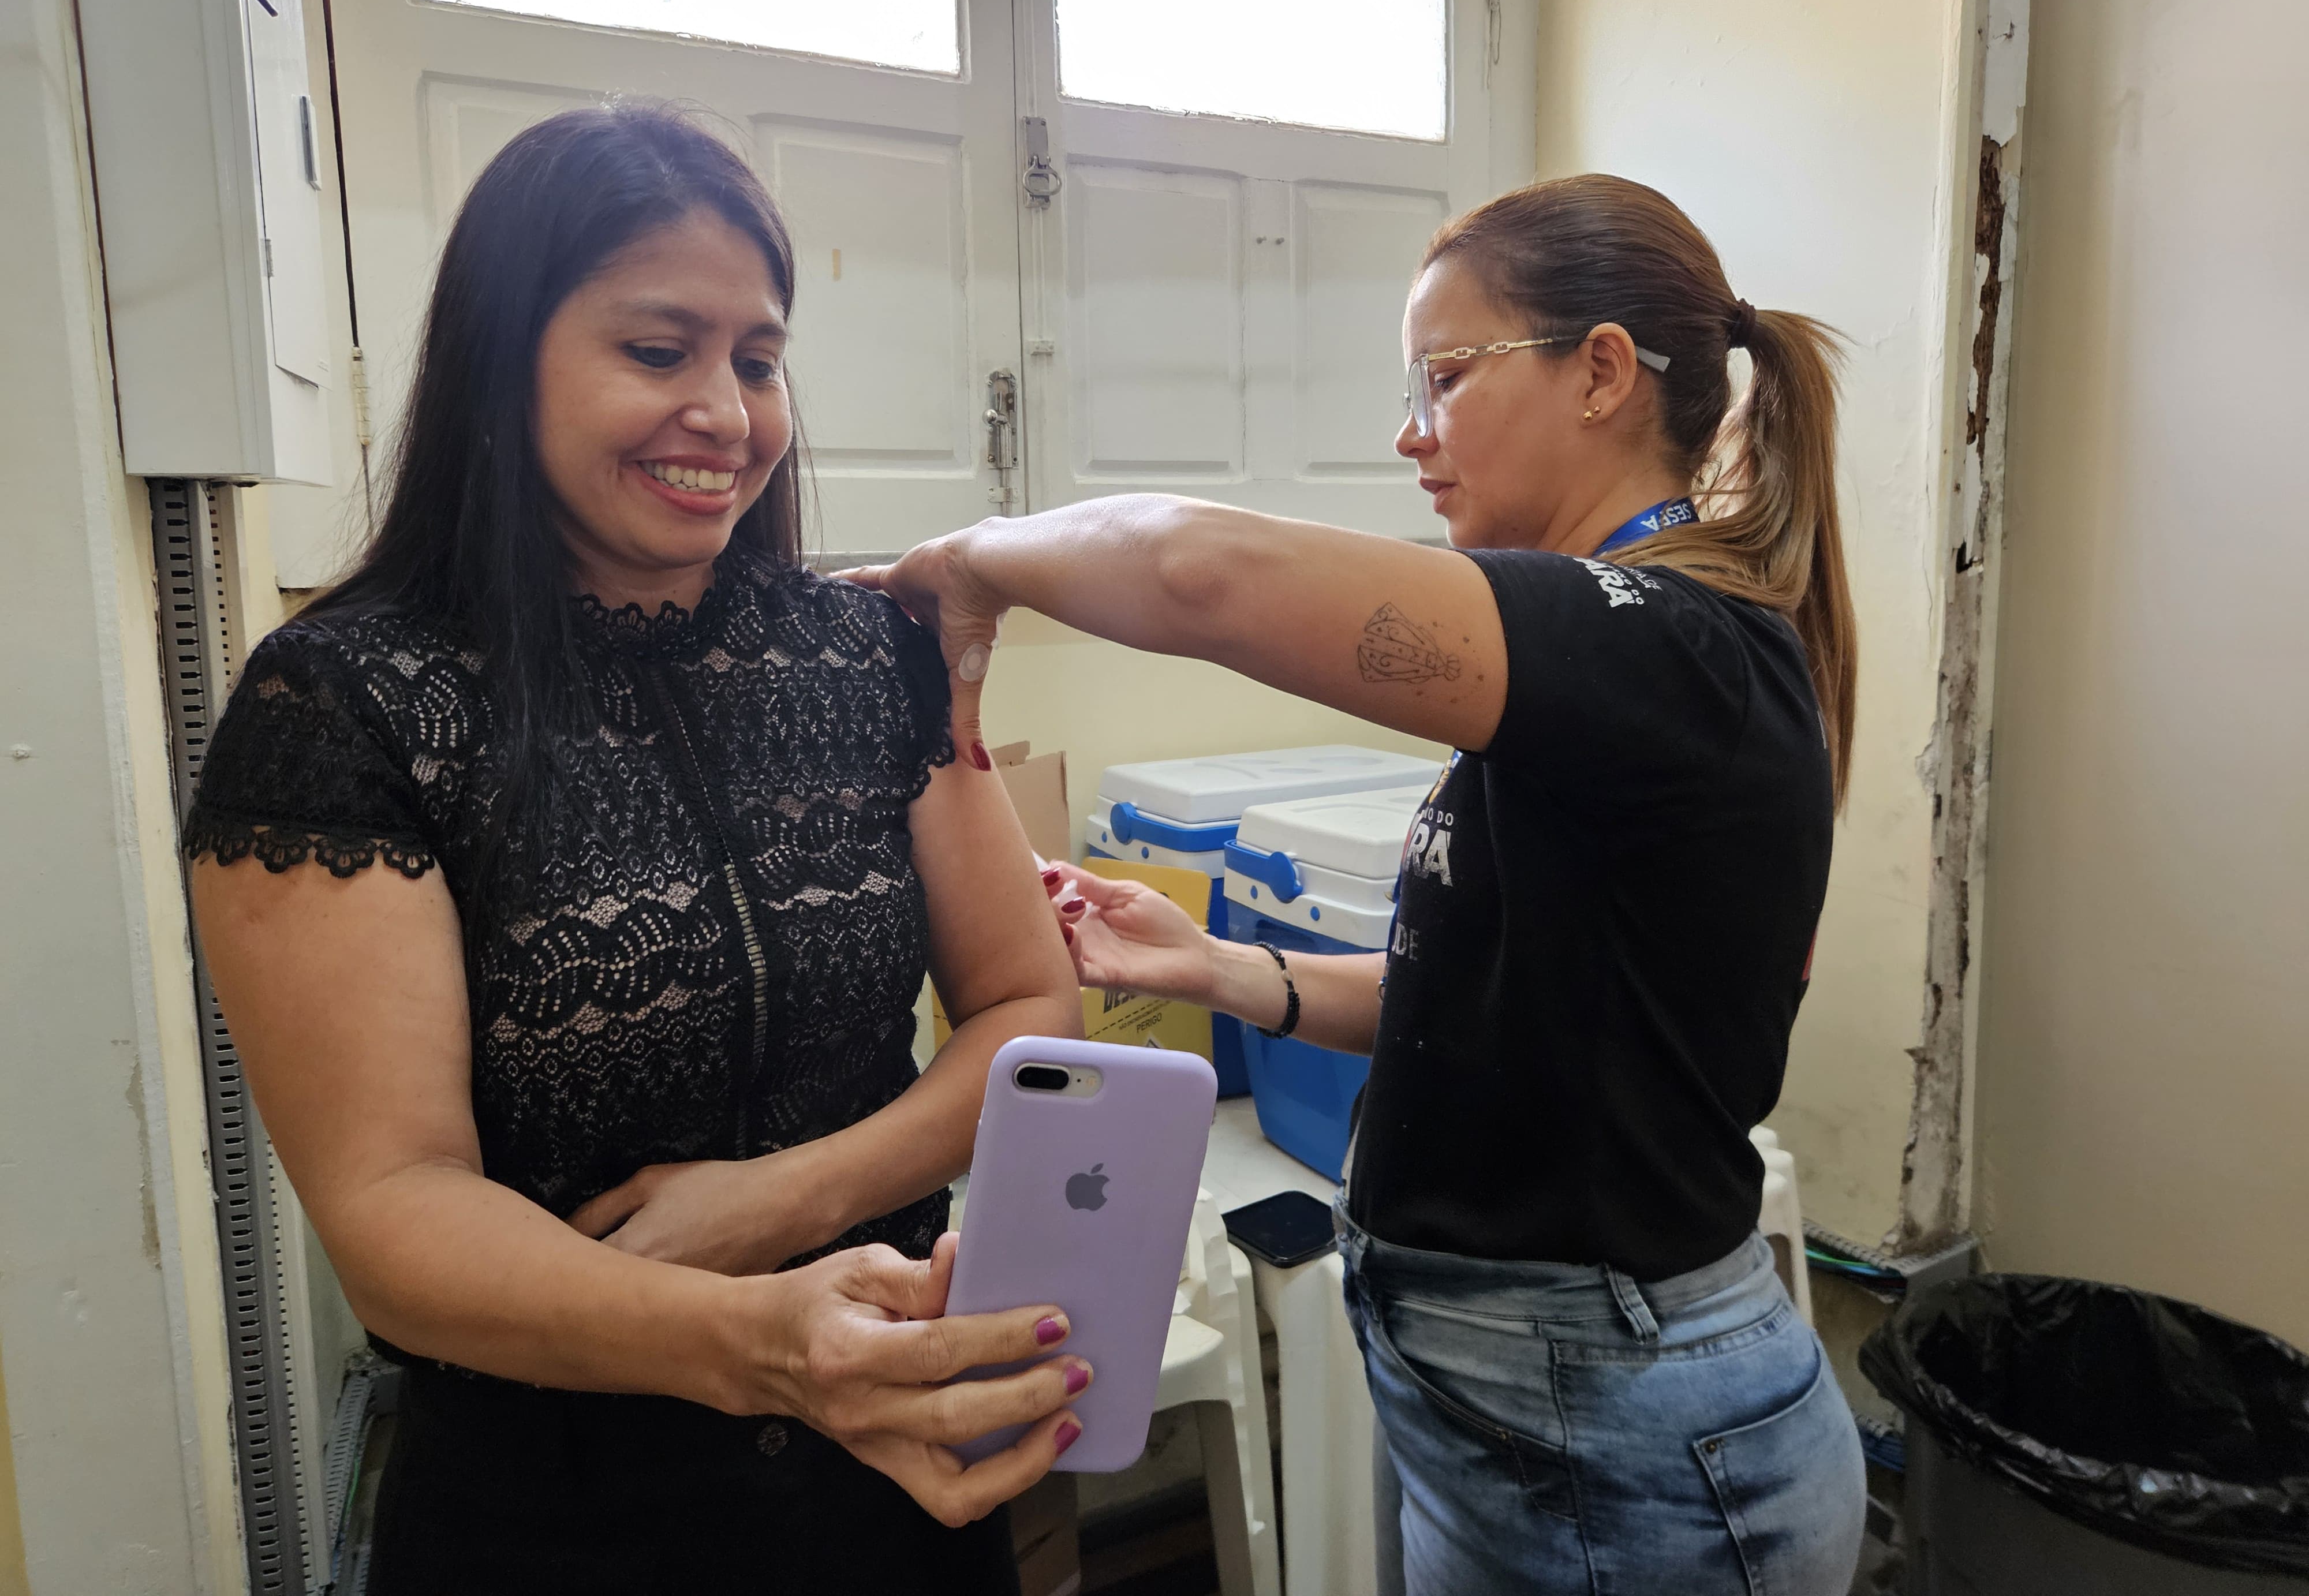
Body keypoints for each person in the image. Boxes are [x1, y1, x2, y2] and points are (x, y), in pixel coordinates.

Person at [850, 175, 1870, 1594]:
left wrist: (972, 560)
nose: (1409, 432)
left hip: (1618, 1435)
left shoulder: (1662, 645)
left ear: (1599, 374)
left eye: (1447, 379)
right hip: (1520, 1406)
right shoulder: (1608, 684)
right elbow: (1498, 1007)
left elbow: (1198, 571)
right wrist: (1217, 970)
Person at [185, 102, 1090, 1596]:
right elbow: (395, 1215)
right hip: (563, 1512)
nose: (727, 414)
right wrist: (763, 1343)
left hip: (895, 1462)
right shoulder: (350, 709)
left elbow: (1028, 1010)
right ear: (503, 361)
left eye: (758, 357)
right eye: (659, 353)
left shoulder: (871, 658)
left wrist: (785, 1202)